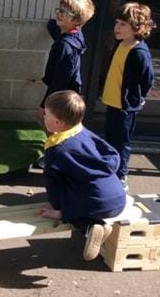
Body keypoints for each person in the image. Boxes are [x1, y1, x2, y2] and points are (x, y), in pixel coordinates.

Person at [36, 90, 127, 261]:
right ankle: (96, 226)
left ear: (56, 122)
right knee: (82, 186)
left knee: (71, 208)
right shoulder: (84, 133)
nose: (43, 115)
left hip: (96, 204)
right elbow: (110, 152)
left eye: (46, 114)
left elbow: (53, 183)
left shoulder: (57, 150)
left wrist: (58, 210)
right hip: (119, 198)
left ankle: (91, 227)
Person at [100, 2, 155, 190]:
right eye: (116, 23)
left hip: (125, 106)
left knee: (121, 141)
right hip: (112, 101)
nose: (117, 28)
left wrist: (140, 96)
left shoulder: (139, 52)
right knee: (110, 137)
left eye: (123, 24)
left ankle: (121, 175)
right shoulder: (120, 44)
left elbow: (147, 78)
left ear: (137, 28)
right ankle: (110, 169)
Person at [38, 0, 95, 120]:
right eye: (59, 10)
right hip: (69, 90)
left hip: (63, 94)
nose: (59, 14)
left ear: (76, 20)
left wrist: (46, 105)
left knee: (51, 120)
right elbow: (55, 28)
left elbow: (59, 80)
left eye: (65, 12)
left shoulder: (65, 46)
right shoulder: (76, 34)